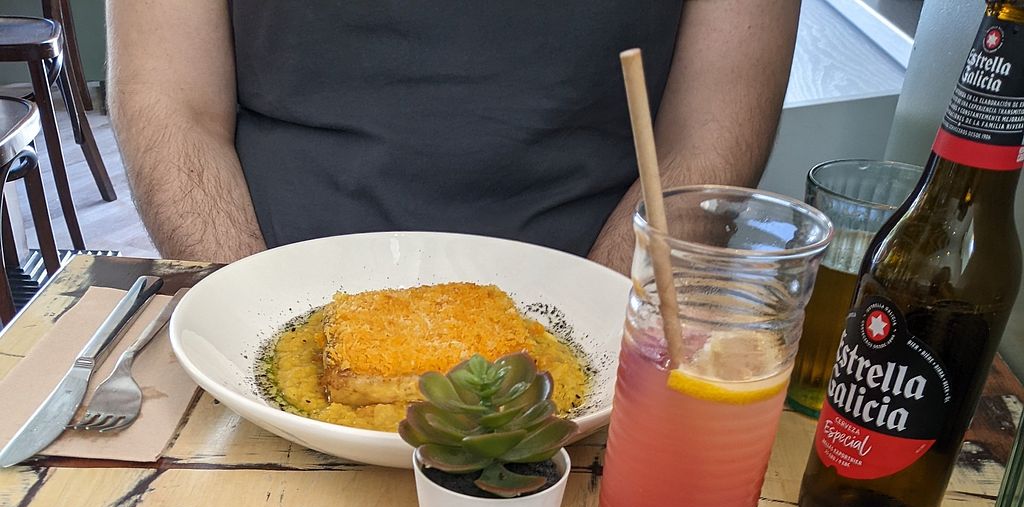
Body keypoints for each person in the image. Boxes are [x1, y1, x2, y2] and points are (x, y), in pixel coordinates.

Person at [106, 0, 801, 274]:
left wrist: (593, 326)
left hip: (602, 297)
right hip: (263, 278)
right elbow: (170, 101)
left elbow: (710, 126)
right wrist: (254, 314)